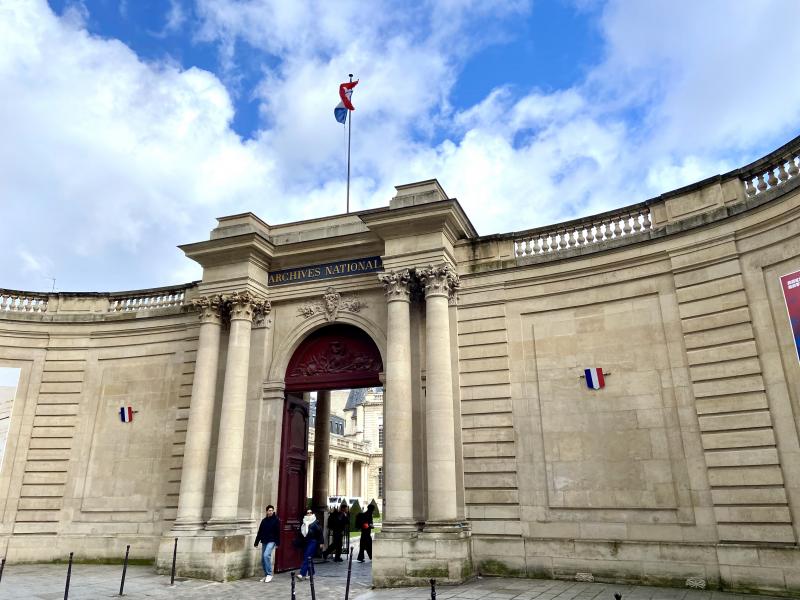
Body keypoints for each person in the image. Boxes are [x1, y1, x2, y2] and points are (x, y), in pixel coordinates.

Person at [254, 505, 280, 583]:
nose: (271, 511)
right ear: (266, 511)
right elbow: (260, 532)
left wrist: (278, 542)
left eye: (272, 510)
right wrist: (256, 542)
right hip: (264, 540)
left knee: (266, 555)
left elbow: (278, 532)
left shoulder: (276, 520)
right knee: (263, 559)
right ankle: (266, 575)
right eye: (269, 510)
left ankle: (269, 574)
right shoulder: (264, 521)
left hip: (272, 541)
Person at [297, 509, 324, 580]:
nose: (309, 514)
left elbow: (320, 533)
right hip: (306, 541)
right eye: (307, 513)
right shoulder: (304, 522)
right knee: (309, 558)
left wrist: (321, 542)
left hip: (313, 541)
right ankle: (311, 573)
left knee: (307, 556)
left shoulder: (315, 522)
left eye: (310, 513)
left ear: (312, 513)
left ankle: (302, 573)